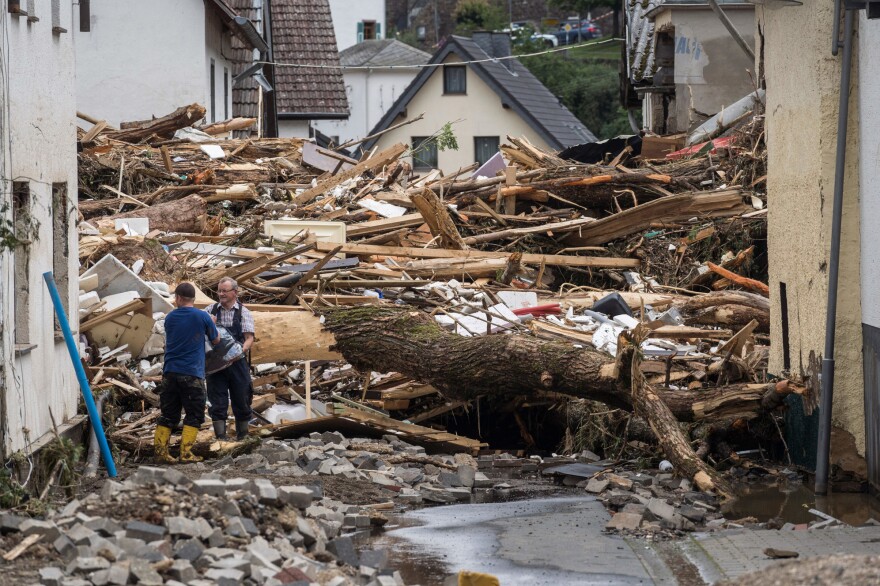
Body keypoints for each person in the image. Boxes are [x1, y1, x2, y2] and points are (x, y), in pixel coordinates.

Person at [154, 282, 220, 463]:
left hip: (170, 372)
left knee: (168, 414)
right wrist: (211, 323)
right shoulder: (203, 316)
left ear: (178, 298)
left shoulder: (170, 317)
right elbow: (216, 341)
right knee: (195, 413)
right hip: (192, 373)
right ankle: (186, 453)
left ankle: (160, 453)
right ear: (193, 298)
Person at [205, 277, 255, 441]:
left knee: (241, 397)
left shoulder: (243, 312)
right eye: (219, 291)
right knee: (217, 399)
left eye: (224, 291)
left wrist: (241, 350)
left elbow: (249, 338)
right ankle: (221, 438)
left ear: (235, 292)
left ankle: (243, 436)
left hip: (237, 363)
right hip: (215, 365)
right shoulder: (209, 310)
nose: (221, 294)